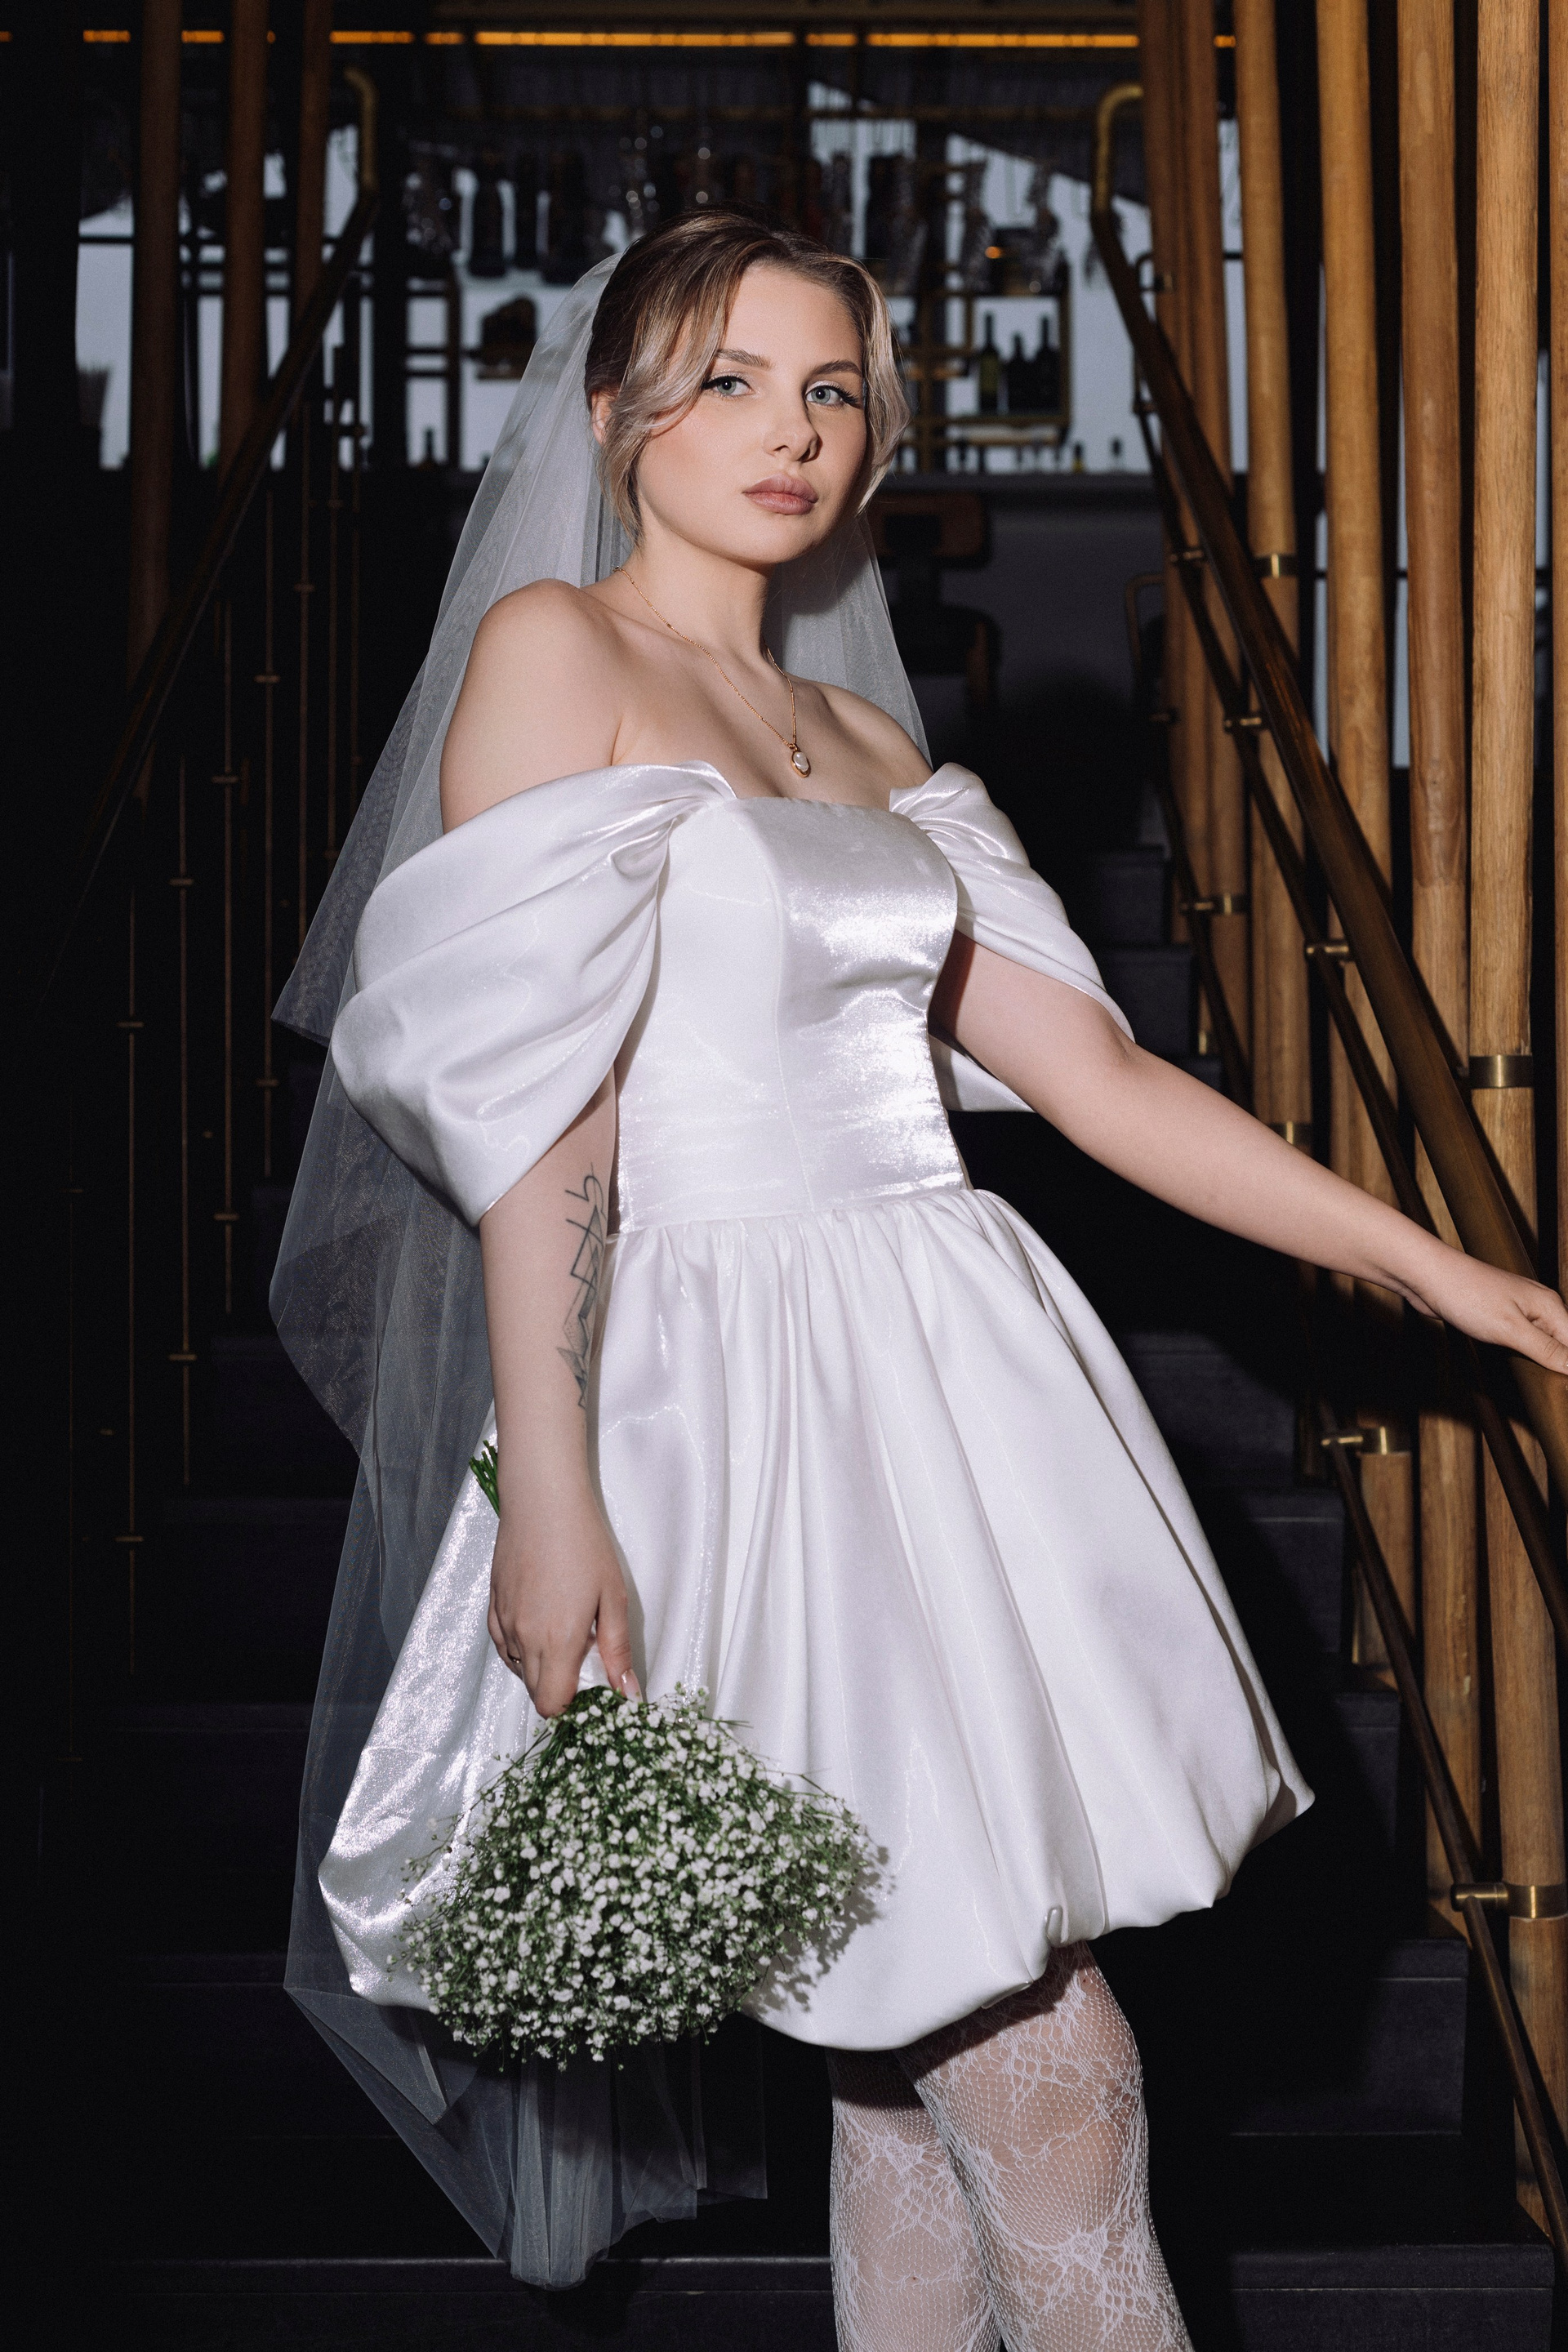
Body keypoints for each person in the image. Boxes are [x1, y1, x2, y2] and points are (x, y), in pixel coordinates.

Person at [274, 212, 1568, 2347]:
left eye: (832, 390)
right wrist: (558, 1488)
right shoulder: (557, 650)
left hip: (949, 1373)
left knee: (899, 2085)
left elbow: (1101, 1079)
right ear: (616, 414)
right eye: (731, 382)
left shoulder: (872, 746)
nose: (792, 429)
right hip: (731, 1398)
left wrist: (1437, 1267)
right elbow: (543, 1121)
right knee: (1054, 2074)